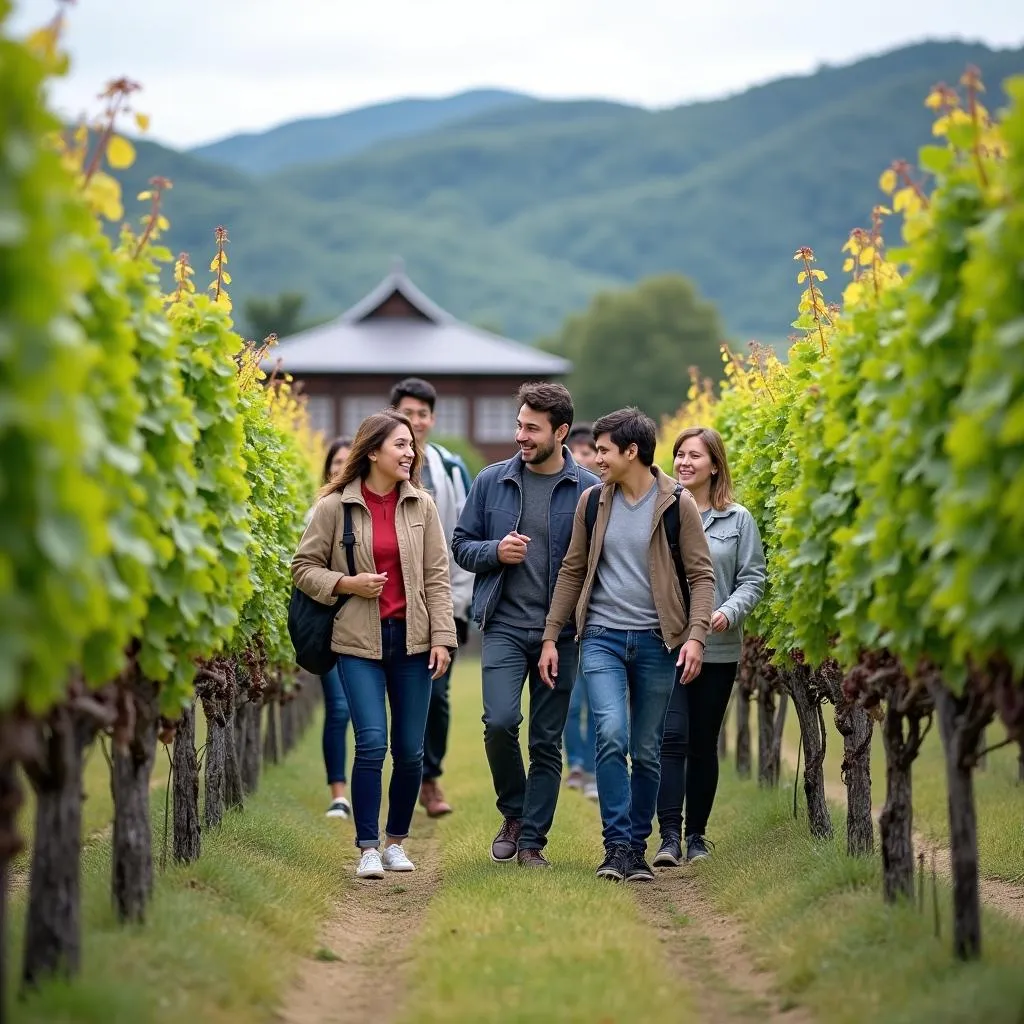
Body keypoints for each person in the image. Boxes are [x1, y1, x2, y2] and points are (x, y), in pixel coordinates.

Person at [539, 408, 715, 883]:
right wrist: (552, 635)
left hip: (659, 643)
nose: (595, 458)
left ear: (631, 452)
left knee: (648, 748)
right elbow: (573, 570)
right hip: (601, 638)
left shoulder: (678, 505)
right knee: (611, 734)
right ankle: (617, 846)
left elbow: (701, 576)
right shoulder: (594, 503)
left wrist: (695, 637)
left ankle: (637, 847)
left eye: (603, 450)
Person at [292, 410, 457, 879]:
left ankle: (396, 843)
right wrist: (346, 583)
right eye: (400, 445)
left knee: (410, 751)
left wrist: (443, 638)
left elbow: (437, 578)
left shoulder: (422, 506)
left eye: (411, 445)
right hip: (356, 641)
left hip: (414, 641)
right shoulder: (333, 508)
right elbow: (302, 568)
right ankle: (367, 847)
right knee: (371, 743)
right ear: (372, 451)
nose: (410, 452)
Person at [452, 382, 599, 868]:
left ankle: (533, 840)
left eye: (531, 428)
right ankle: (513, 813)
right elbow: (460, 545)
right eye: (519, 425)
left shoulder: (590, 492)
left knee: (545, 739)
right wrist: (496, 552)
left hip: (564, 634)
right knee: (499, 723)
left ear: (560, 432)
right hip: (504, 626)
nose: (521, 435)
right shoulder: (491, 481)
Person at [653, 427, 766, 866]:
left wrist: (728, 611)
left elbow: (752, 579)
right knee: (671, 737)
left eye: (694, 456)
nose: (683, 462)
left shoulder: (739, 520)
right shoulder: (662, 514)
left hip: (718, 649)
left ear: (714, 465)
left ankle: (696, 835)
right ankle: (667, 837)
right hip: (667, 646)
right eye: (679, 454)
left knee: (702, 742)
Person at [389, 377, 474, 818]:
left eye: (423, 414)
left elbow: (460, 538)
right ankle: (401, 773)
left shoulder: (449, 469)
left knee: (436, 696)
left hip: (441, 604)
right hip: (387, 606)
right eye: (408, 413)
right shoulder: (380, 469)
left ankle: (430, 777)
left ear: (432, 419)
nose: (417, 421)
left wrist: (458, 604)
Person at [313, 436, 354, 819]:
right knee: (338, 709)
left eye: (348, 460)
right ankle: (338, 793)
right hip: (329, 625)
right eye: (335, 462)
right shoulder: (321, 511)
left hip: (365, 629)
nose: (341, 467)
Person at [563, 424, 599, 799]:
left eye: (592, 451)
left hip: (596, 621)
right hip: (567, 618)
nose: (586, 457)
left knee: (597, 700)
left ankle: (590, 768)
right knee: (571, 701)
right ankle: (574, 761)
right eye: (581, 451)